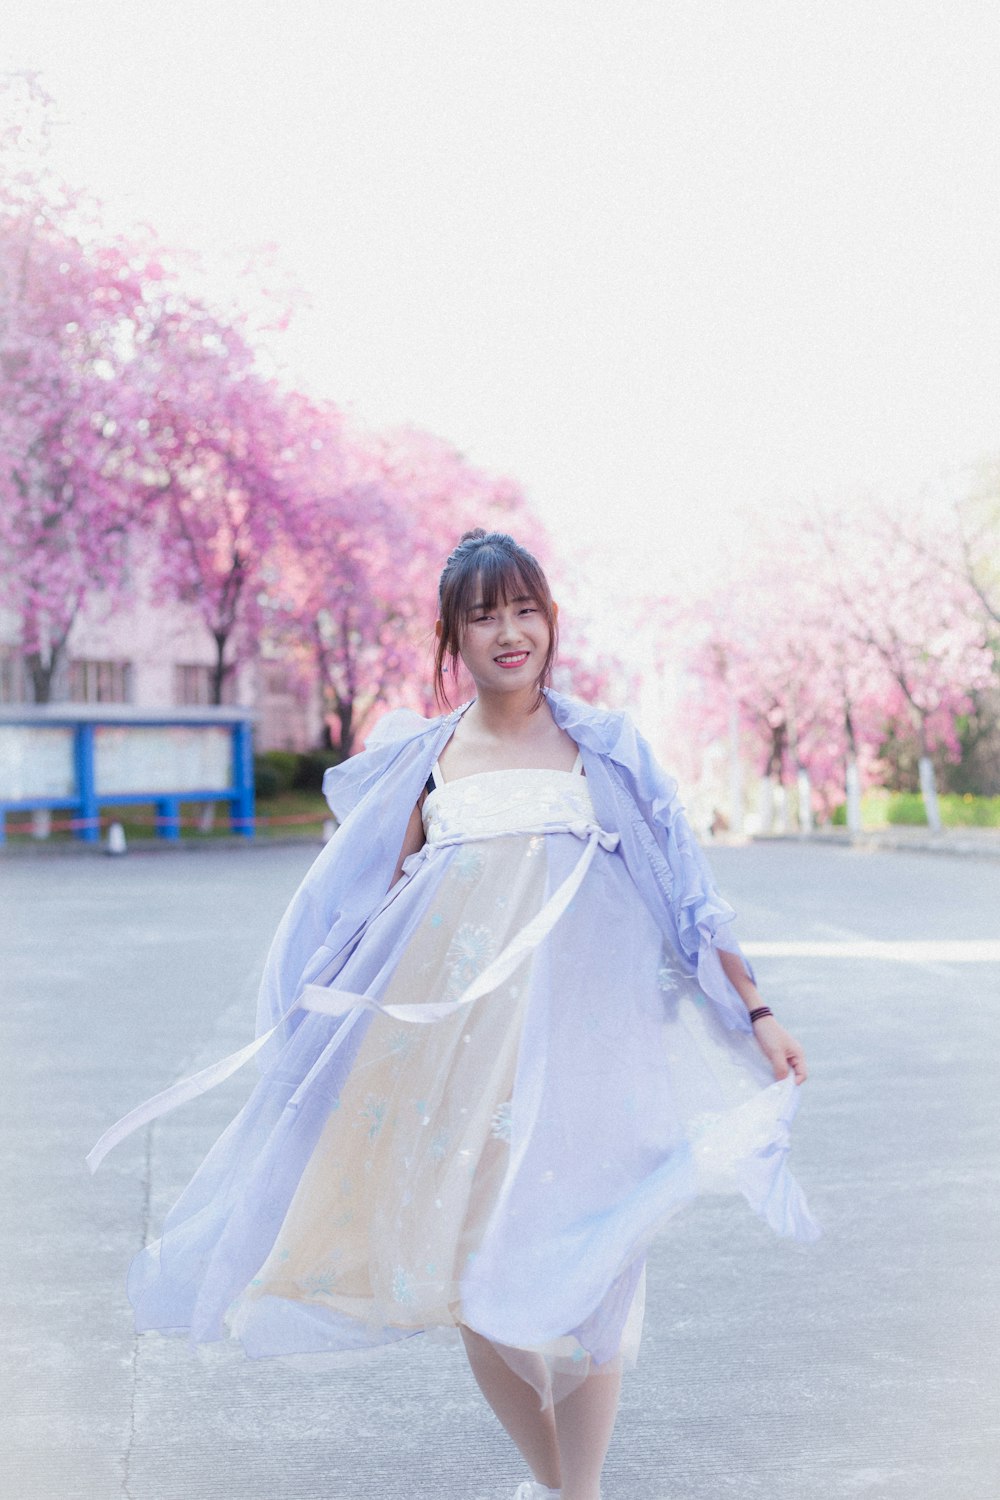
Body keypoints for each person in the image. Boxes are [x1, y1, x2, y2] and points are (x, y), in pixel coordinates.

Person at [89, 528, 818, 1500]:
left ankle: (578, 1490)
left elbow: (690, 894)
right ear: (453, 639)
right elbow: (360, 913)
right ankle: (562, 1484)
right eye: (484, 617)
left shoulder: (604, 749)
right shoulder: (423, 763)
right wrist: (316, 1035)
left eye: (525, 610)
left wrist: (755, 1009)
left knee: (598, 1275)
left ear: (550, 621)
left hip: (590, 1064)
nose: (509, 632)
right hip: (457, 1071)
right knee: (476, 1285)